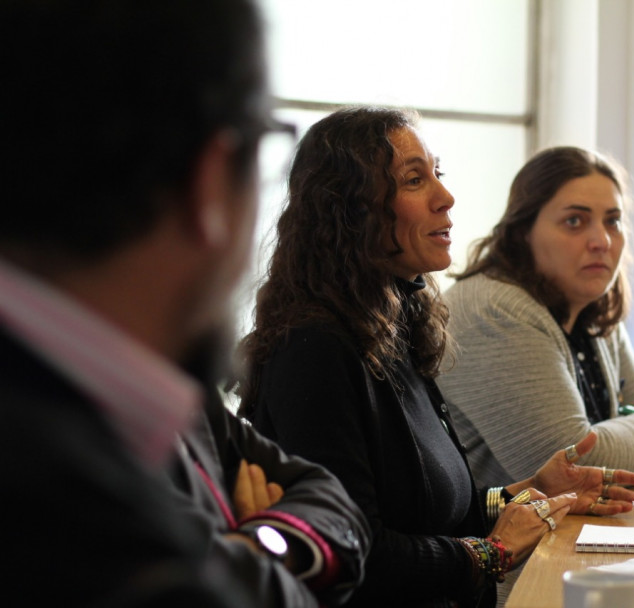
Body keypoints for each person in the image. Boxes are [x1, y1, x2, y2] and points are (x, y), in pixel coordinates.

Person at [1, 1, 368, 605]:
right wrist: (264, 570)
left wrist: (264, 542)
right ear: (211, 182)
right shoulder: (107, 548)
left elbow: (327, 494)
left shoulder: (166, 385)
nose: (446, 198)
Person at [237, 107, 634, 608]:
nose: (445, 197)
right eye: (414, 180)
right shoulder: (314, 349)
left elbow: (431, 512)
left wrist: (530, 492)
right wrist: (491, 553)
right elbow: (354, 550)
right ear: (351, 210)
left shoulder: (393, 324)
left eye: (438, 173)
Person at [436, 146, 634, 489]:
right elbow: (572, 466)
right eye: (574, 221)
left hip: (568, 532)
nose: (601, 240)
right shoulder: (494, 308)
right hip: (492, 540)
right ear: (523, 231)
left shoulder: (592, 307)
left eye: (613, 221)